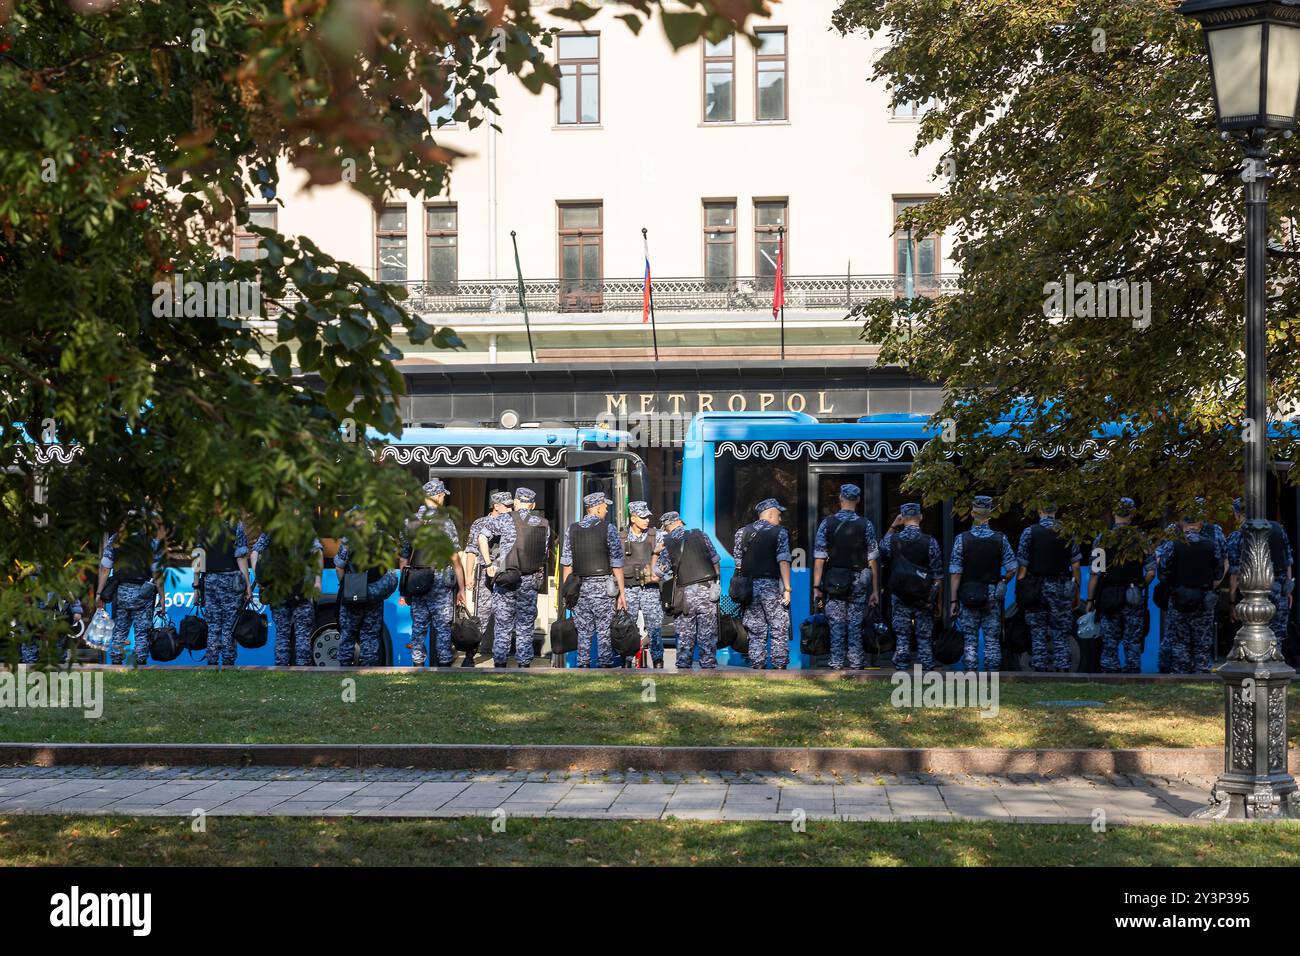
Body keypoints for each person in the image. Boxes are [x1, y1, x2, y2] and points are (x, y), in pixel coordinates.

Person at [479, 487, 551, 668]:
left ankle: (500, 664)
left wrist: (489, 564)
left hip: (506, 579)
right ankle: (524, 665)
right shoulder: (543, 523)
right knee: (525, 626)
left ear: (516, 502)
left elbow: (481, 537)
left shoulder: (504, 519)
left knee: (503, 625)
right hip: (530, 580)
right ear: (532, 504)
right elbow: (544, 553)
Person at [812, 484, 880, 670]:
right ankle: (857, 662)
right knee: (855, 623)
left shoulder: (827, 524)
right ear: (858, 500)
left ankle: (836, 662)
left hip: (834, 581)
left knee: (836, 622)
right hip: (859, 580)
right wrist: (875, 590)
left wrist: (816, 587)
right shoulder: (866, 525)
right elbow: (873, 560)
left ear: (840, 499)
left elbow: (819, 559)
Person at [400, 479, 466, 667]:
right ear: (438, 496)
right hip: (439, 582)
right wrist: (462, 588)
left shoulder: (409, 522)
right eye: (443, 495)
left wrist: (403, 590)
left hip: (416, 581)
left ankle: (417, 665)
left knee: (418, 627)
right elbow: (454, 558)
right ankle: (444, 666)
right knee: (442, 628)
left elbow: (404, 558)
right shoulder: (445, 523)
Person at [1084, 497, 1154, 674]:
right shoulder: (1141, 539)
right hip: (1133, 596)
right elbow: (1151, 572)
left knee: (1109, 641)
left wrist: (1090, 600)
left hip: (1108, 596)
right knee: (1133, 641)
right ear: (1131, 515)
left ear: (1114, 513)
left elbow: (1095, 573)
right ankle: (1132, 674)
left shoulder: (1102, 539)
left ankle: (1109, 674)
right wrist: (1140, 585)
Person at [948, 495, 1016, 672]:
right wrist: (1003, 581)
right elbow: (1012, 568)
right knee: (992, 638)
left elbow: (955, 573)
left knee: (970, 638)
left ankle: (971, 673)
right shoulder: (1000, 539)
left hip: (968, 593)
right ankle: (993, 674)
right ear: (990, 514)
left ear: (972, 513)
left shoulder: (961, 539)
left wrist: (953, 601)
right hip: (991, 593)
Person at [1156, 507, 1227, 674]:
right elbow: (1218, 572)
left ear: (1182, 524)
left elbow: (1162, 573)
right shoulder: (1210, 545)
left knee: (1180, 643)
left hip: (1179, 599)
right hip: (1204, 601)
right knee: (1202, 643)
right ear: (1200, 523)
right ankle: (1202, 675)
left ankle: (1181, 676)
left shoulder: (1173, 545)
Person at [560, 491, 626, 668]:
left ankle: (583, 665)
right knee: (604, 629)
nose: (606, 510)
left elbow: (567, 565)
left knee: (583, 631)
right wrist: (622, 593)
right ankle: (604, 665)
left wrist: (567, 593)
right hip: (603, 588)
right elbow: (617, 564)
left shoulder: (572, 529)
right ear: (596, 509)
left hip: (579, 587)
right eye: (605, 507)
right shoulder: (608, 528)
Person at [1016, 504, 1081, 672]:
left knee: (1037, 632)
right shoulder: (1067, 532)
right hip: (1061, 587)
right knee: (1061, 631)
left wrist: (1020, 592)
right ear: (1056, 510)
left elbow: (1022, 568)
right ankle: (1063, 667)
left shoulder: (1029, 532)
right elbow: (1075, 566)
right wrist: (1076, 592)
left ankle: (1039, 668)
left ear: (1039, 510)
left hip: (1036, 588)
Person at [880, 503, 944, 671]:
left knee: (902, 633)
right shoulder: (930, 542)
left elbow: (881, 548)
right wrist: (938, 601)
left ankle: (902, 664)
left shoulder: (893, 540)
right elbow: (937, 575)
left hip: (900, 594)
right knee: (924, 634)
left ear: (902, 517)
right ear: (920, 518)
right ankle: (926, 664)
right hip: (923, 595)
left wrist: (894, 525)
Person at [96, 513, 166, 665]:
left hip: (121, 591)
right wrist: (162, 598)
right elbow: (157, 572)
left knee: (120, 629)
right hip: (144, 592)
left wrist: (99, 593)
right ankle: (140, 662)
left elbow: (105, 568)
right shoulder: (151, 542)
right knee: (142, 632)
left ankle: (115, 661)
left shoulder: (115, 539)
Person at [655, 511, 720, 670]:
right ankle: (709, 667)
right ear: (680, 523)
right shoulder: (700, 535)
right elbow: (715, 561)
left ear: (667, 527)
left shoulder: (668, 542)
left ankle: (684, 669)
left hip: (685, 596)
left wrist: (655, 553)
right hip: (707, 591)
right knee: (707, 635)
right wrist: (715, 582)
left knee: (685, 636)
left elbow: (657, 573)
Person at [734, 498, 793, 669]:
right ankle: (779, 665)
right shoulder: (780, 532)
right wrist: (787, 588)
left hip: (749, 588)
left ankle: (758, 664)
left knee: (755, 629)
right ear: (771, 513)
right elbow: (783, 561)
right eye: (779, 515)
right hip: (771, 587)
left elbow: (739, 563)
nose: (780, 519)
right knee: (778, 627)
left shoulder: (741, 533)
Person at [1227, 496, 1294, 647]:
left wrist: (1231, 601)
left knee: (1250, 636)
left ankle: (1254, 667)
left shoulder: (1238, 535)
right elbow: (1287, 561)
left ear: (1237, 514)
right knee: (1277, 638)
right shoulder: (1277, 529)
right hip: (1278, 589)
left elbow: (1234, 573)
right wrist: (1288, 588)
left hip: (1251, 595)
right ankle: (1275, 666)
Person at [252, 530, 324, 667]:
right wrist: (318, 581)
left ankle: (281, 670)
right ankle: (302, 670)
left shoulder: (271, 529)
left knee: (281, 635)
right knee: (302, 635)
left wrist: (259, 576)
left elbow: (255, 552)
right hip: (302, 589)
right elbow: (317, 552)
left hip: (277, 590)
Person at [334, 521, 399, 667]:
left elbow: (339, 567)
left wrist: (346, 586)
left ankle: (343, 668)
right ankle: (369, 670)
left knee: (348, 634)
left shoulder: (349, 540)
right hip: (374, 594)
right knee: (370, 635)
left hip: (352, 595)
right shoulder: (385, 539)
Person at [463, 491, 513, 667]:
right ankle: (470, 655)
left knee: (504, 616)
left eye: (510, 505)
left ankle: (501, 658)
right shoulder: (480, 523)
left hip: (507, 574)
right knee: (481, 617)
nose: (510, 508)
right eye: (506, 505)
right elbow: (471, 550)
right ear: (496, 506)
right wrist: (469, 576)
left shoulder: (514, 521)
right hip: (485, 575)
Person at [622, 501, 666, 667]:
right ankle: (627, 660)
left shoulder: (657, 535)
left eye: (648, 516)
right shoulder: (622, 537)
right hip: (629, 588)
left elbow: (665, 561)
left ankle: (658, 661)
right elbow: (617, 564)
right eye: (643, 517)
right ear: (633, 518)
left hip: (650, 589)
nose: (647, 520)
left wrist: (657, 574)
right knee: (628, 626)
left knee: (654, 626)